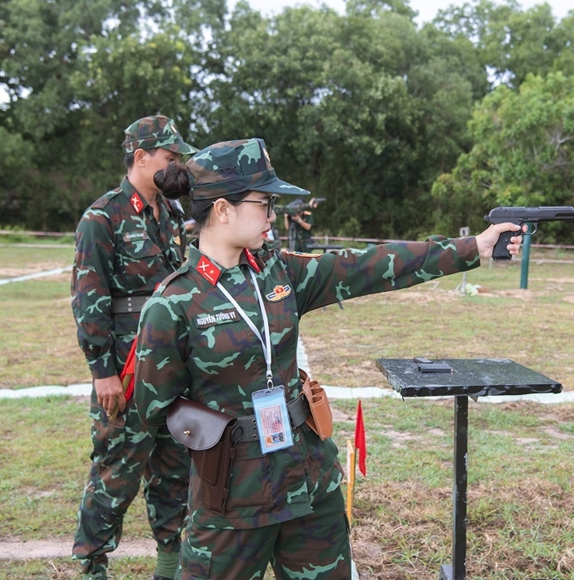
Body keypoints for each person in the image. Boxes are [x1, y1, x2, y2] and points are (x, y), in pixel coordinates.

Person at [132, 137, 526, 580]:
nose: (272, 216)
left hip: (308, 485)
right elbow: (153, 410)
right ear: (223, 210)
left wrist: (474, 246)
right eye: (264, 203)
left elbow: (369, 266)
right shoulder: (174, 303)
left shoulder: (280, 272)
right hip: (232, 502)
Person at [70, 114, 198, 580]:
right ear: (141, 158)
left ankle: (169, 562)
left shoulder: (172, 214)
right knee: (116, 470)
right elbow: (88, 300)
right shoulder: (100, 218)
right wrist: (101, 371)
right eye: (169, 157)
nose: (175, 166)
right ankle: (92, 567)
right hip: (125, 369)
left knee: (173, 468)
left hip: (172, 365)